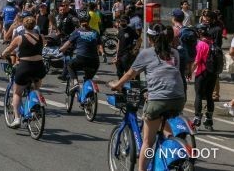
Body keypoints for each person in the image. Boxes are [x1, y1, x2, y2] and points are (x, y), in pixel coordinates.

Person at [110, 24, 186, 171]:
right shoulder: (175, 53)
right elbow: (170, 75)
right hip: (178, 99)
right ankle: (170, 143)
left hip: (158, 100)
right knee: (162, 120)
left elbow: (130, 74)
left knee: (147, 141)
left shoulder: (146, 53)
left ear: (150, 39)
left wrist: (117, 85)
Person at [0, 16, 46, 128]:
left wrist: (1, 55)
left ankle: (17, 118)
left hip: (25, 67)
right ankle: (36, 104)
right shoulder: (41, 37)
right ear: (35, 25)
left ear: (23, 26)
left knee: (17, 93)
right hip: (39, 67)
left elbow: (9, 50)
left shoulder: (19, 38)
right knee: (36, 87)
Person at [59, 10, 103, 92]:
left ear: (79, 21)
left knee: (70, 65)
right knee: (88, 78)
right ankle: (88, 97)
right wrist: (102, 53)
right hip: (95, 61)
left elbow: (67, 44)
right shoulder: (95, 32)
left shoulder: (77, 31)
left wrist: (60, 50)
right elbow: (99, 46)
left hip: (81, 59)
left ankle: (75, 82)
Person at [191, 24, 219, 131]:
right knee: (209, 96)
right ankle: (209, 121)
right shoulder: (212, 43)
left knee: (198, 95)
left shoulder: (201, 44)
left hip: (202, 72)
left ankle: (197, 119)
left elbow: (197, 61)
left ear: (199, 32)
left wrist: (190, 71)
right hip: (213, 73)